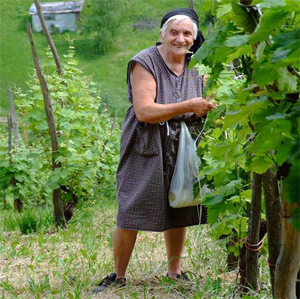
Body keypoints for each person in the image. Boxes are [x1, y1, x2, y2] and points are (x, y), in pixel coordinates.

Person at [93, 8, 215, 293]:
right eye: (174, 32)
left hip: (183, 143)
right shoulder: (144, 62)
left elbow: (208, 99)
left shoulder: (198, 65)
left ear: (194, 39)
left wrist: (210, 106)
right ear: (161, 34)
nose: (180, 39)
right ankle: (119, 275)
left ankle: (175, 270)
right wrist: (188, 106)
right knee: (131, 206)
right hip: (146, 143)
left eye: (187, 34)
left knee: (179, 204)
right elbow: (145, 111)